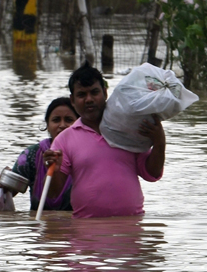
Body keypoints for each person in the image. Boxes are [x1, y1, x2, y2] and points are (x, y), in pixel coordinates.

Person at [42, 64, 166, 218]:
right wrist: (54, 168)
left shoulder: (127, 128)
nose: (89, 99)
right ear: (72, 101)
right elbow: (53, 194)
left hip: (131, 228)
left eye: (94, 92)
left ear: (105, 93)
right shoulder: (64, 140)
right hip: (86, 231)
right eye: (82, 95)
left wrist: (159, 141)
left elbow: (152, 174)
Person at [0, 97, 76, 211]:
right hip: (39, 227)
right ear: (47, 126)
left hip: (77, 225)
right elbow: (6, 194)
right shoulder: (32, 155)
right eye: (56, 120)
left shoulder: (87, 154)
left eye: (69, 120)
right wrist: (1, 183)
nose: (62, 125)